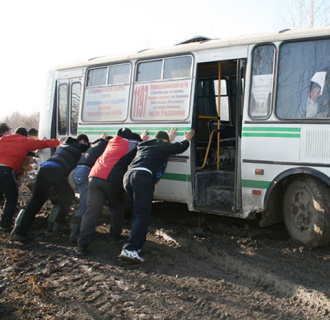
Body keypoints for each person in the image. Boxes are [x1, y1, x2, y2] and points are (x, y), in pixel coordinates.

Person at [119, 128, 195, 263]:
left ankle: (135, 245)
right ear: (165, 140)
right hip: (142, 178)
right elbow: (179, 148)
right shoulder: (162, 145)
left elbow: (161, 145)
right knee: (142, 215)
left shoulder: (143, 145)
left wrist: (163, 139)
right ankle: (130, 250)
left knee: (137, 214)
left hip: (128, 176)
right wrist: (187, 139)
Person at [75, 128, 148, 256]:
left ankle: (81, 245)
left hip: (94, 176)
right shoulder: (131, 144)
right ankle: (114, 236)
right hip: (111, 179)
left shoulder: (112, 142)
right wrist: (142, 139)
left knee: (91, 211)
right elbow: (143, 147)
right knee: (117, 207)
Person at [12, 134, 90, 241]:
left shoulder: (64, 144)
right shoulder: (80, 146)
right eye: (85, 142)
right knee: (69, 196)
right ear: (82, 141)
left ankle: (20, 232)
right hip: (55, 171)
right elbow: (89, 149)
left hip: (44, 168)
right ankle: (59, 223)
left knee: (36, 202)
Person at [0, 127, 60, 232]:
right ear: (25, 135)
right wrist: (58, 141)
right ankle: (5, 224)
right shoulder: (24, 141)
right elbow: (43, 143)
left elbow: (12, 150)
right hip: (6, 171)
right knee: (11, 197)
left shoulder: (3, 139)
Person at [70, 134, 112, 240]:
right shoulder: (107, 145)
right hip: (84, 172)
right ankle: (75, 233)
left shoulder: (96, 143)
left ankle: (80, 230)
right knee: (85, 204)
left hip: (77, 171)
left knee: (87, 202)